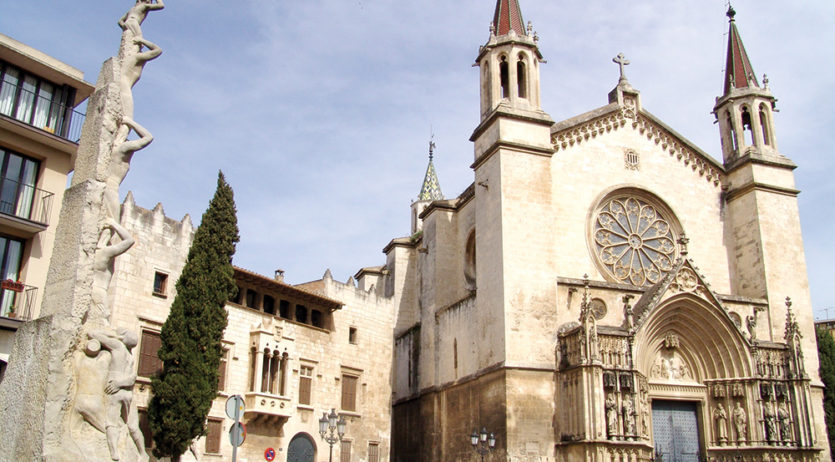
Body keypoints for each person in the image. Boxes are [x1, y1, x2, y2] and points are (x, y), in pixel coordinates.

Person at [88, 327, 146, 461]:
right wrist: (123, 382)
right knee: (133, 426)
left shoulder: (118, 346)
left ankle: (114, 453)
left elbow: (92, 333)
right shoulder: (131, 357)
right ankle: (142, 453)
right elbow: (132, 378)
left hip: (115, 390)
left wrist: (113, 335)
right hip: (128, 392)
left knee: (111, 422)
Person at [105, 117, 154, 221]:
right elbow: (148, 137)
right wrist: (129, 122)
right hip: (111, 189)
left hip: (108, 187)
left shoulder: (112, 150)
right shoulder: (122, 148)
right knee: (111, 223)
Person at [91, 219, 134, 320]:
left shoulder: (92, 252)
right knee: (102, 321)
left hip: (90, 289)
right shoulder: (105, 252)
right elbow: (129, 240)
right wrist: (114, 224)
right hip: (100, 292)